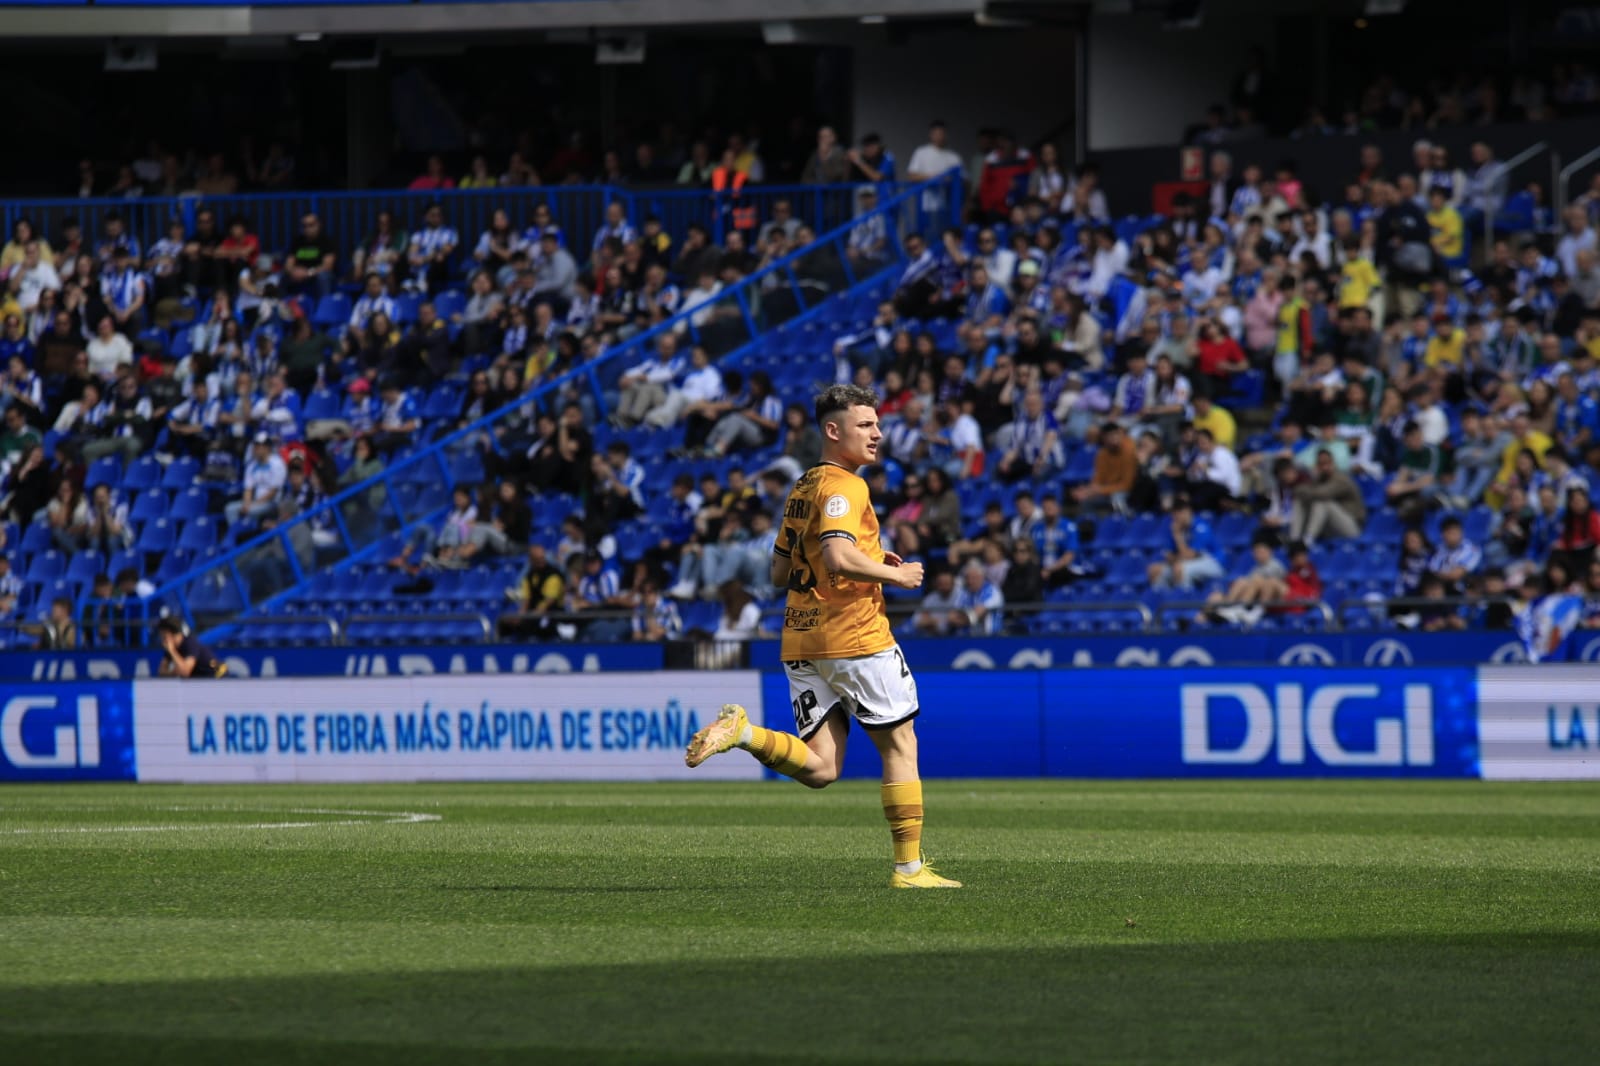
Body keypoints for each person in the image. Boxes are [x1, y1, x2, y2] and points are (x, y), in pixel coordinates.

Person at [686, 384, 959, 890]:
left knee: (822, 767)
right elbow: (836, 555)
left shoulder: (803, 485)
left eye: (877, 424)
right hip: (855, 636)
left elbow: (778, 572)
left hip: (801, 639)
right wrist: (894, 575)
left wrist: (868, 559)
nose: (877, 434)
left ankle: (743, 734)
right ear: (833, 431)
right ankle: (909, 869)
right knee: (900, 745)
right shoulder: (846, 487)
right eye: (865, 425)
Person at [155, 617, 227, 678]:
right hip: (201, 683)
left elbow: (184, 672)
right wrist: (174, 672)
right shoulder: (171, 647)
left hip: (219, 679)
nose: (162, 639)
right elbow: (161, 673)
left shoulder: (189, 643)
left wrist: (172, 651)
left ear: (171, 634)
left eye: (163, 635)